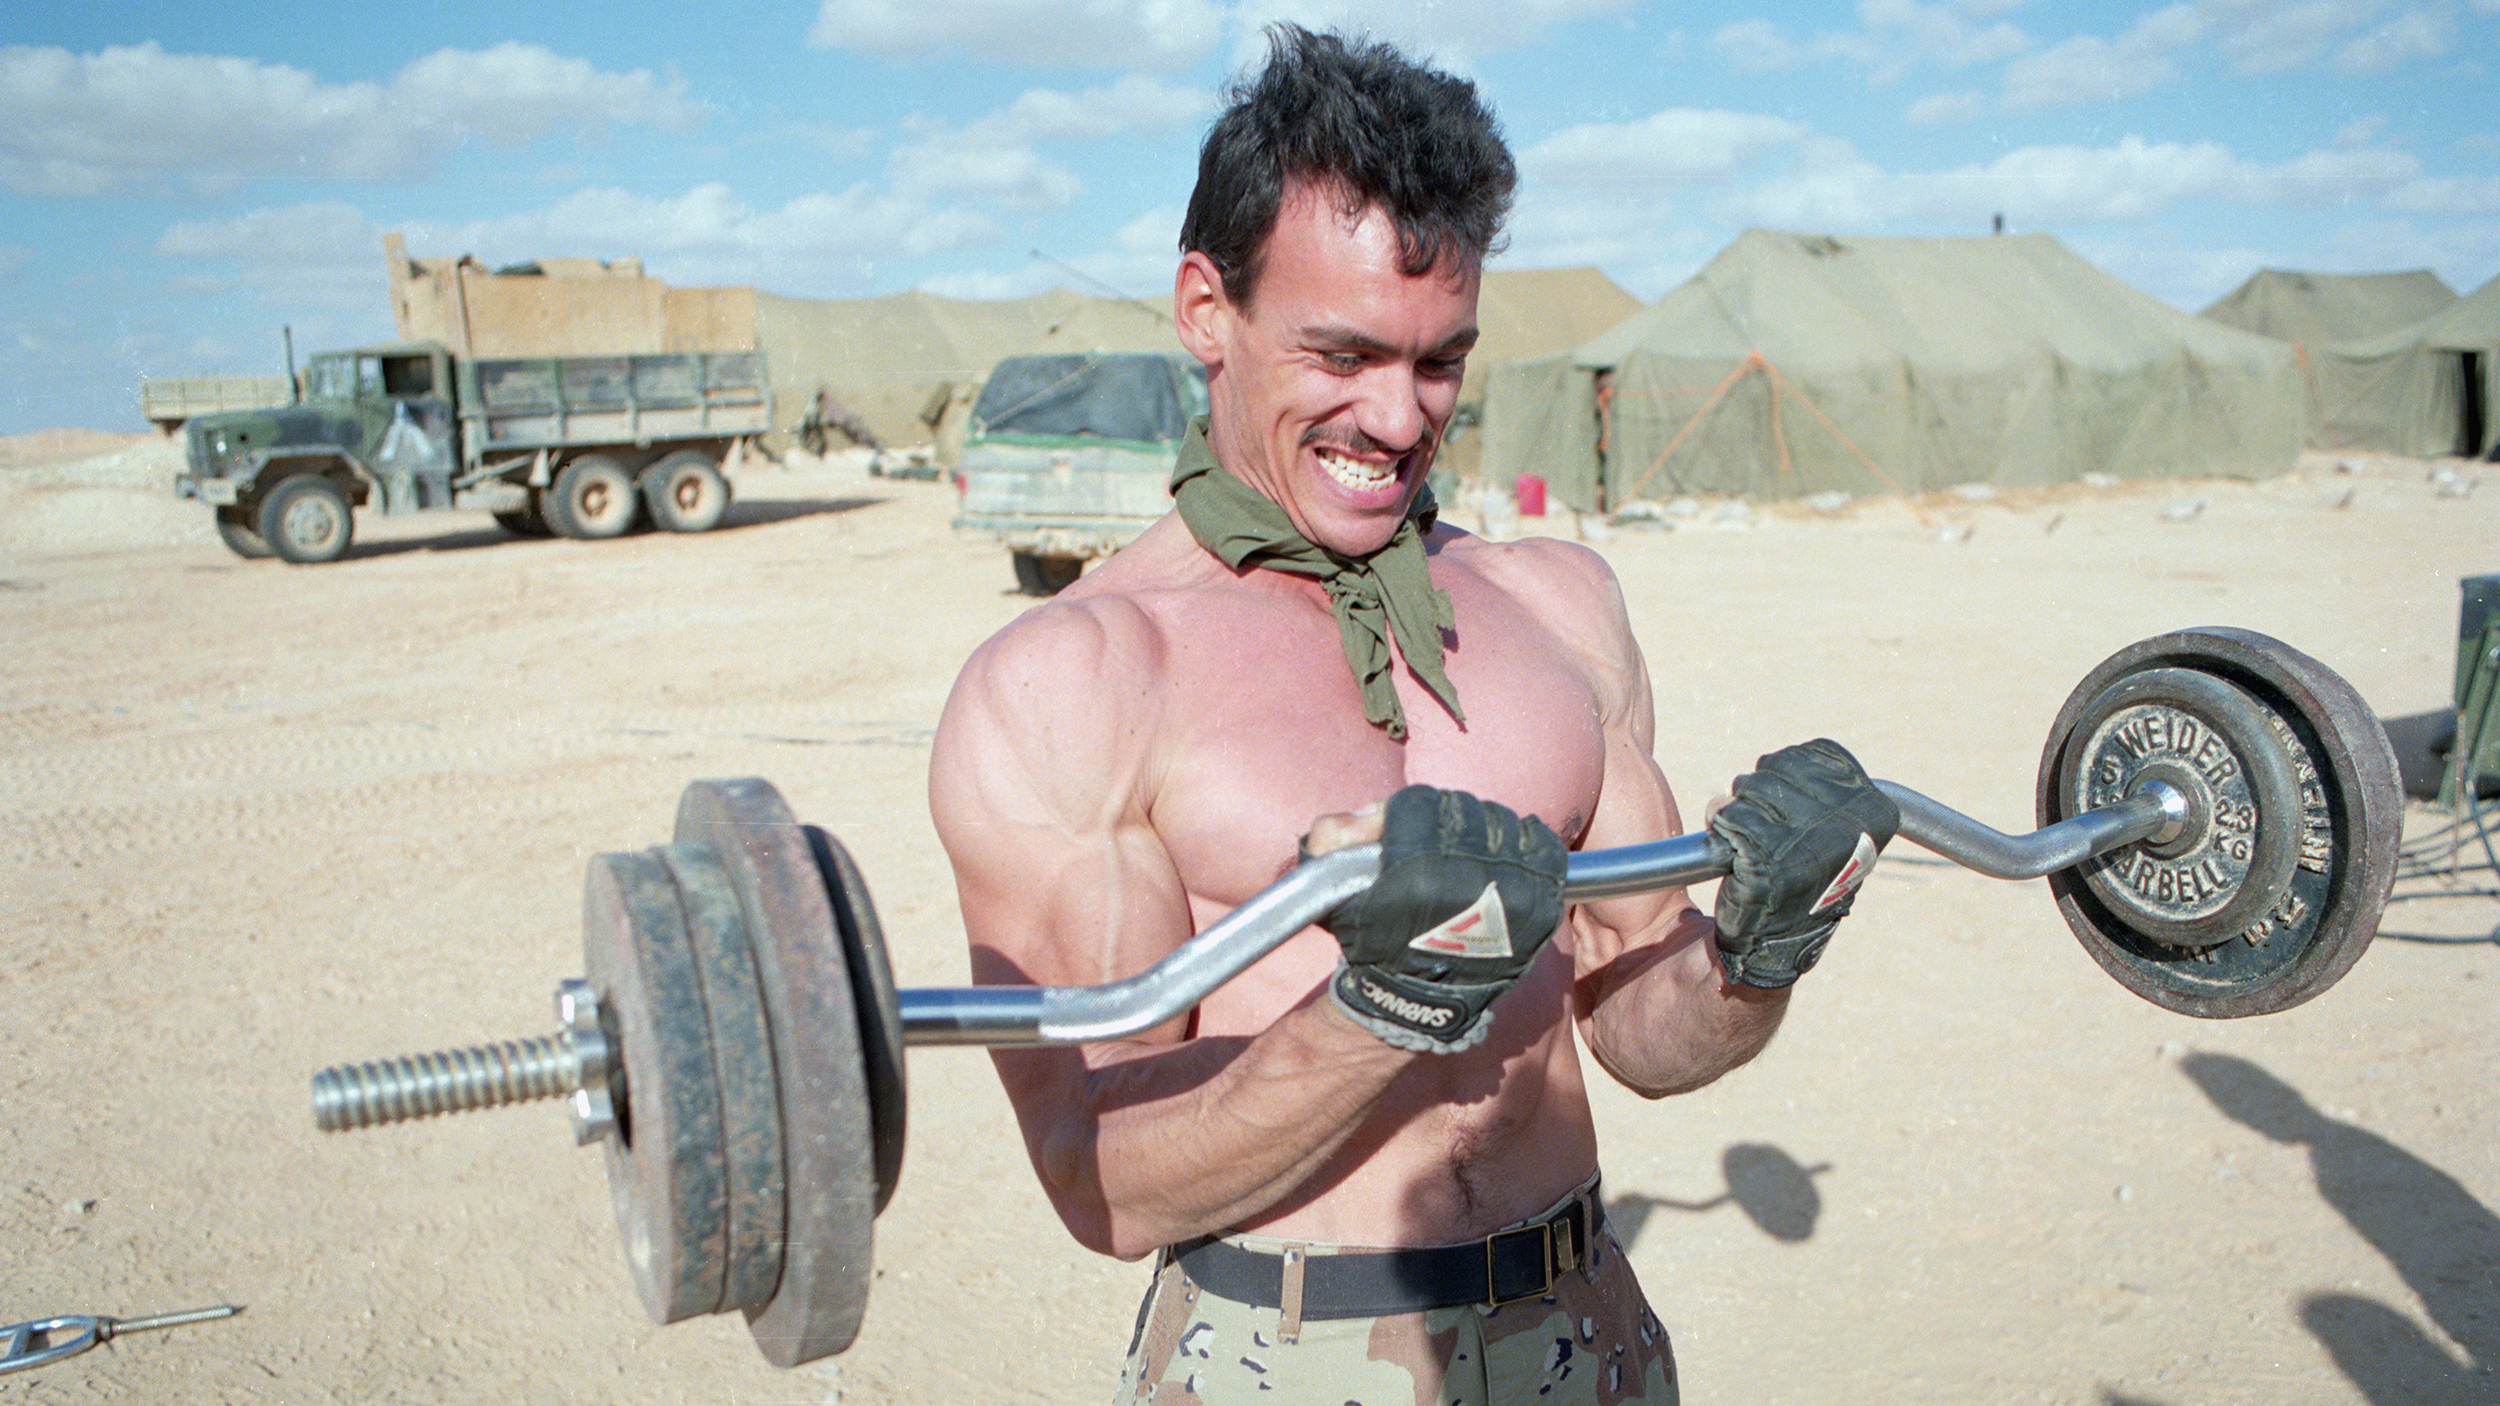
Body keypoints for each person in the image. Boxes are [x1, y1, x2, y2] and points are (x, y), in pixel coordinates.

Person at [927, 26, 1897, 1405]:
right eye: (1343, 352)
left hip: (1587, 1328)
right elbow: (1101, 1178)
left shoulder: (1559, 606)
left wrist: (1760, 949)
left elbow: (1643, 1032)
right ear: (1208, 309)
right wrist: (1376, 1011)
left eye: (1442, 362)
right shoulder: (1075, 679)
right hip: (1289, 1352)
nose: (1397, 417)